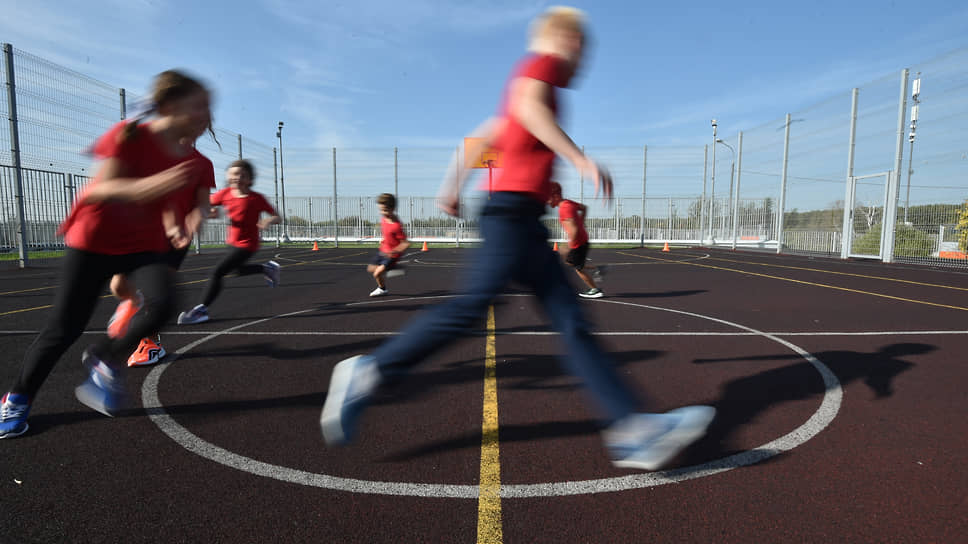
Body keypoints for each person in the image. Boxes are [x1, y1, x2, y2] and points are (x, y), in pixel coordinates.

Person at [320, 7, 715, 471]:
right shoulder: (540, 67)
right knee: (473, 307)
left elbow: (483, 135)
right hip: (509, 217)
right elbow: (528, 112)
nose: (584, 59)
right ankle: (368, 372)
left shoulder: (526, 83)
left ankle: (631, 428)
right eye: (583, 48)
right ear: (568, 41)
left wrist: (452, 186)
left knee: (570, 320)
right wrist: (580, 159)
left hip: (523, 221)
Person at [0, 69, 215, 438]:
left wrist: (179, 224)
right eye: (198, 106)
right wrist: (149, 187)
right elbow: (97, 190)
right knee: (63, 329)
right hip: (94, 241)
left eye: (208, 108)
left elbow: (175, 200)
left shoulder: (193, 162)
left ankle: (104, 357)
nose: (205, 115)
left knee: (164, 303)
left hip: (144, 244)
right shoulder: (129, 136)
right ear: (168, 106)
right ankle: (16, 399)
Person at [106, 123, 217, 366]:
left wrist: (194, 218)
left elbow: (203, 204)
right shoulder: (154, 153)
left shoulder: (202, 164)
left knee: (157, 295)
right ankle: (134, 302)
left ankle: (150, 345)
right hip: (140, 231)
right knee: (118, 285)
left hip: (175, 238)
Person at [176, 159, 281, 325]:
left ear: (249, 179)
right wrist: (210, 212)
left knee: (217, 273)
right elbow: (205, 205)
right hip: (232, 242)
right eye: (233, 174)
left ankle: (201, 310)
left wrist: (268, 220)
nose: (237, 177)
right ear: (227, 177)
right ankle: (267, 268)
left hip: (248, 244)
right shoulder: (224, 194)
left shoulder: (256, 198)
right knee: (236, 271)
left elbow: (278, 217)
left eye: (242, 175)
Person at [547, 181, 607, 298]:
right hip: (581, 240)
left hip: (578, 243)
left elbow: (574, 230)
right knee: (571, 263)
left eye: (548, 198)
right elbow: (584, 208)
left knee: (578, 268)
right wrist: (581, 222)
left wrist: (567, 247)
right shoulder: (568, 203)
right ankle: (597, 268)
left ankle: (595, 290)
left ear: (555, 196)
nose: (547, 201)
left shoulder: (564, 208)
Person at [367, 192, 410, 297]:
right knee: (370, 268)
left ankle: (382, 289)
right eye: (381, 210)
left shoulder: (396, 225)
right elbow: (387, 233)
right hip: (383, 250)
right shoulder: (384, 219)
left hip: (392, 255)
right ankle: (393, 269)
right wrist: (384, 240)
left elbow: (406, 243)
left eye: (385, 210)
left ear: (393, 208)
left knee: (377, 273)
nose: (382, 213)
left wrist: (395, 251)